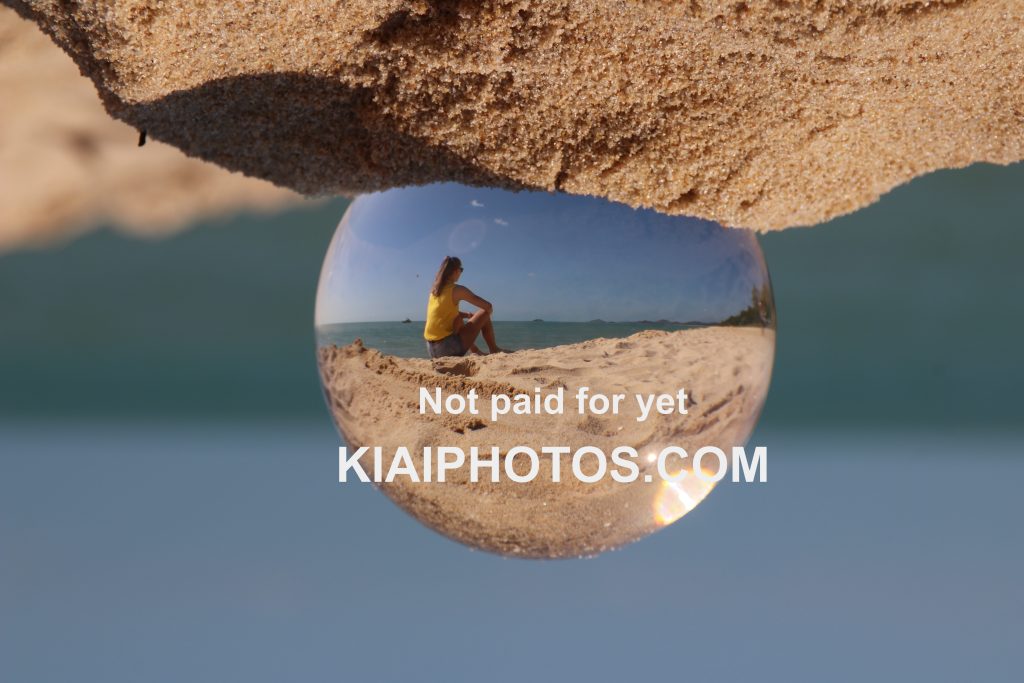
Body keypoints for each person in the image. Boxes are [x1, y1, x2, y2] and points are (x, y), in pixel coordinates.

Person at [423, 256, 508, 358]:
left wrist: (467, 315)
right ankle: (494, 349)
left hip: (432, 350)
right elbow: (488, 306)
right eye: (461, 269)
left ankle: (475, 350)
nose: (461, 272)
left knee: (458, 320)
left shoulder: (434, 291)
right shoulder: (457, 290)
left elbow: (444, 314)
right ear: (455, 271)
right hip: (447, 349)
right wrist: (481, 321)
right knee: (484, 312)